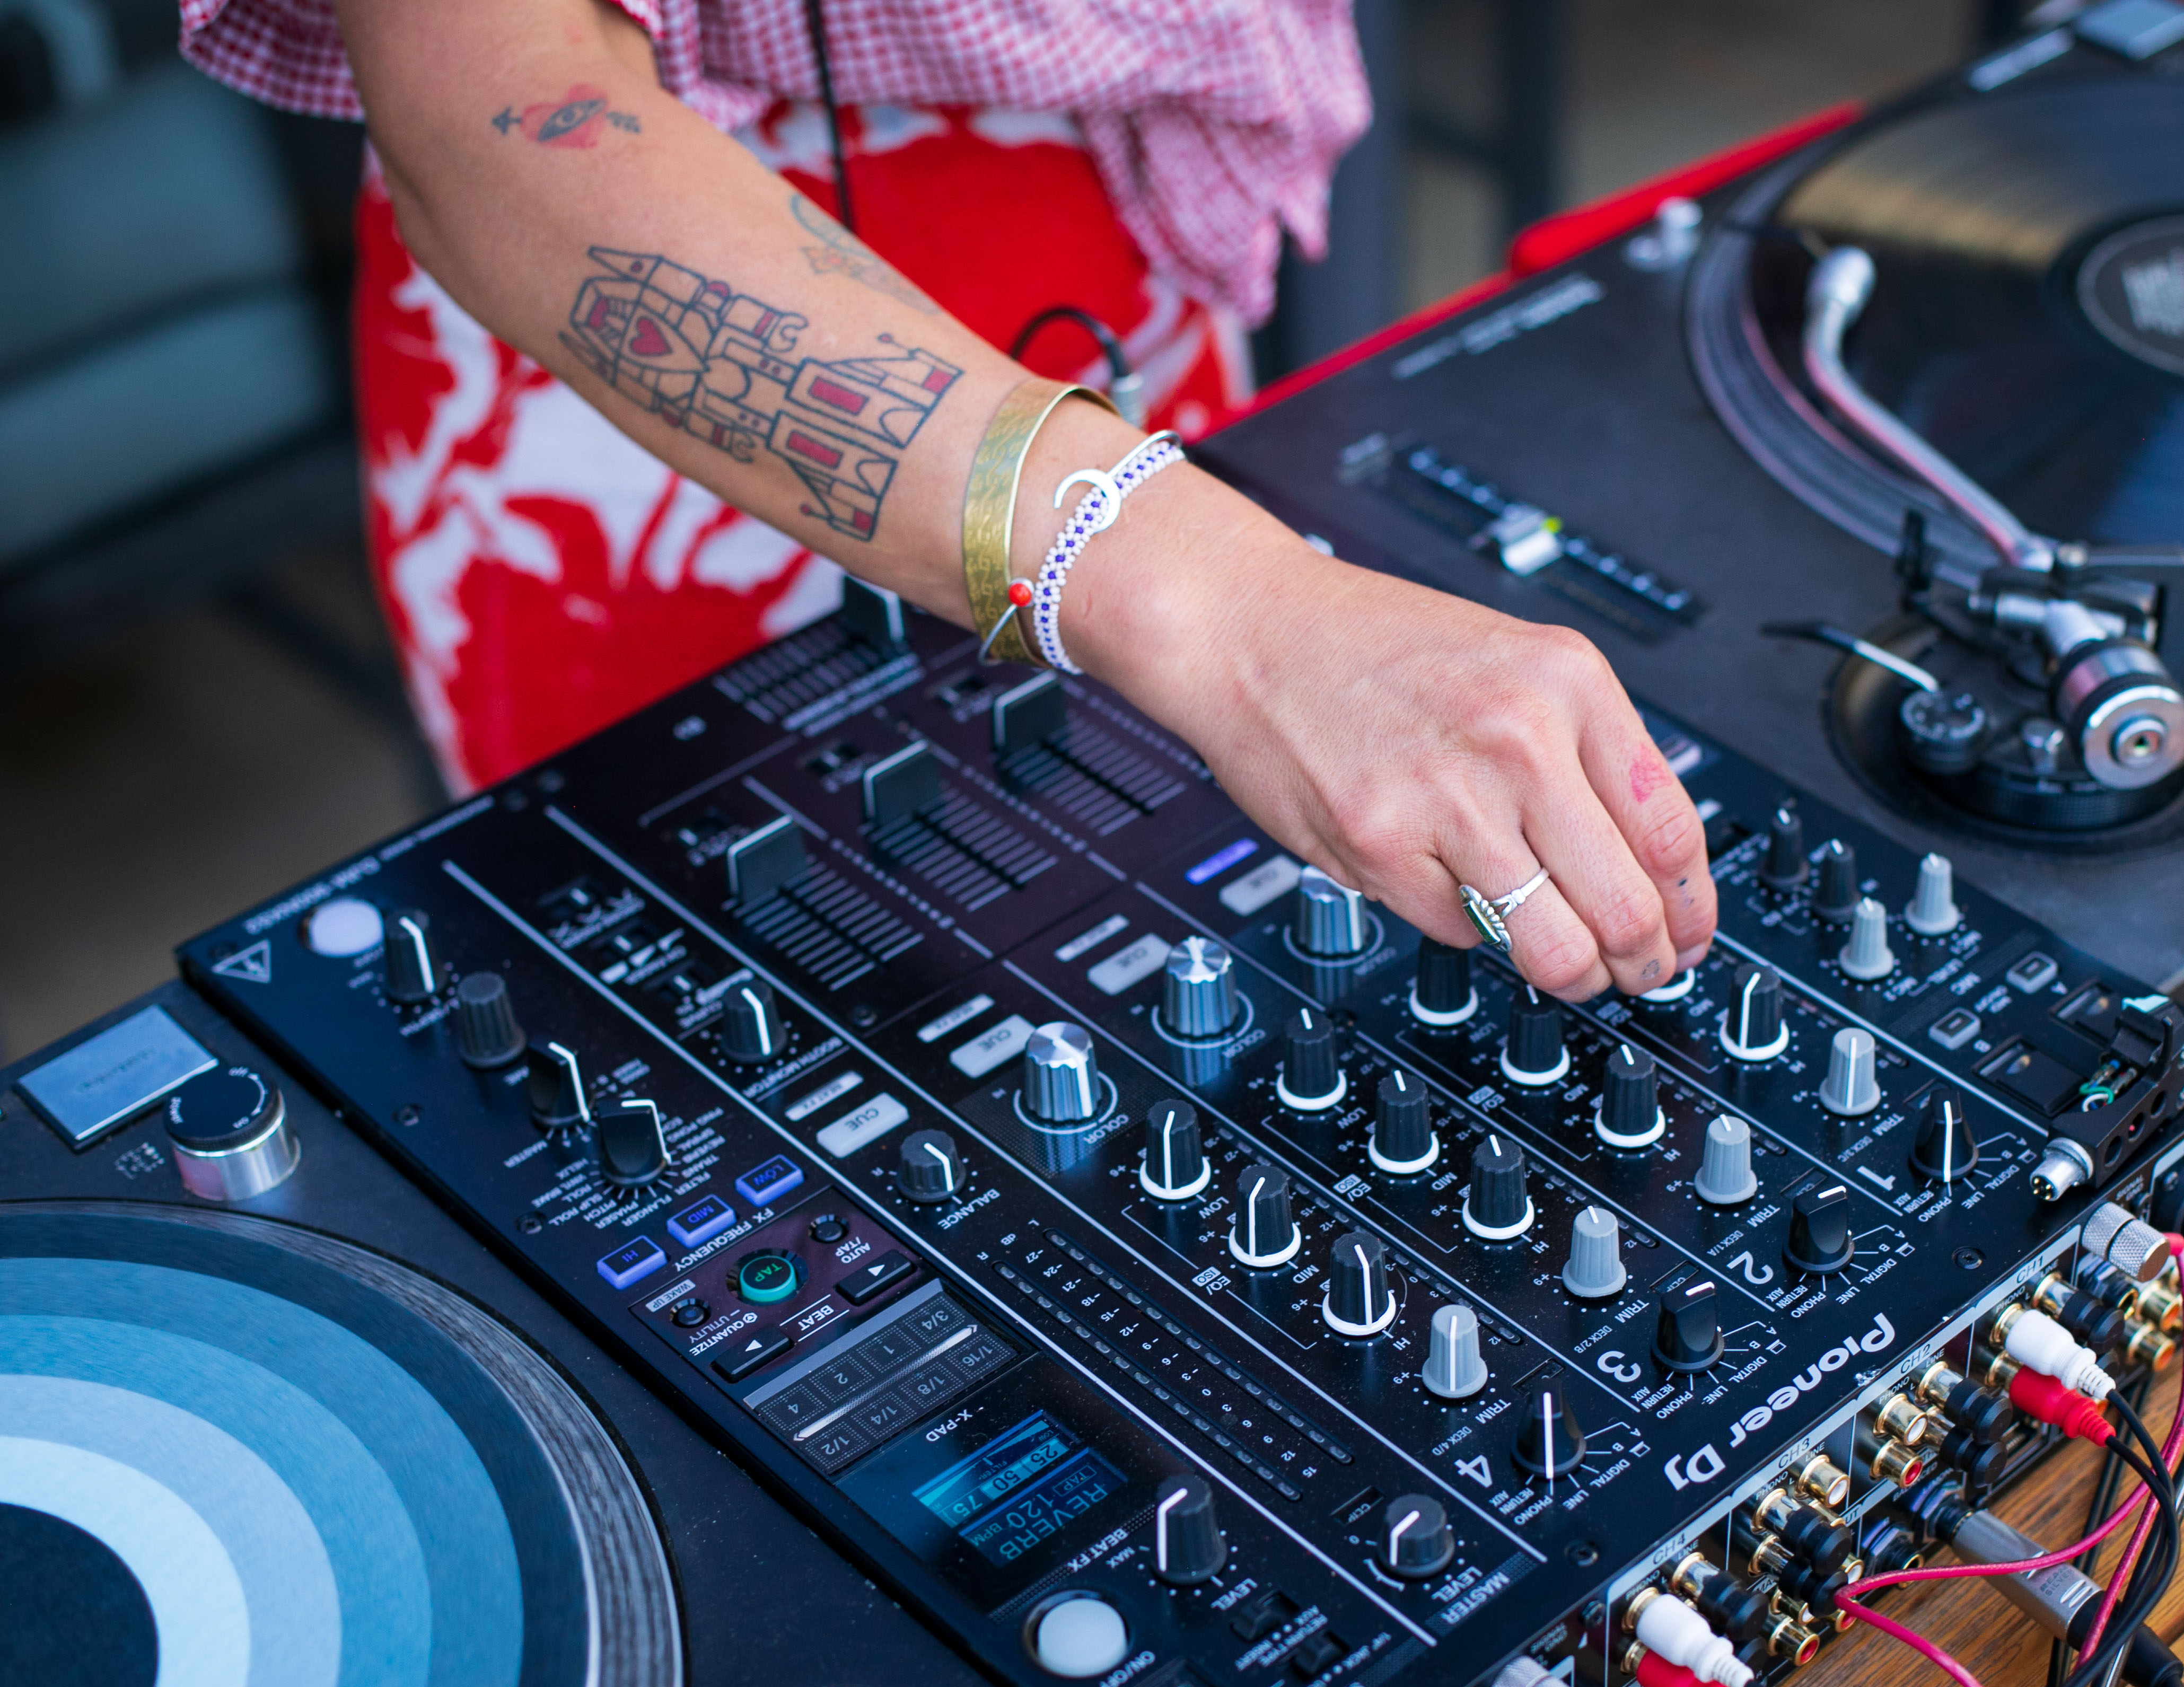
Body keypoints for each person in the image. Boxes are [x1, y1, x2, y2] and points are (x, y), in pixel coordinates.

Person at [181, 0, 1717, 1001]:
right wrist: (1238, 610)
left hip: (1110, 288)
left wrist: (1223, 589)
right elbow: (487, 109)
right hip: (626, 403)